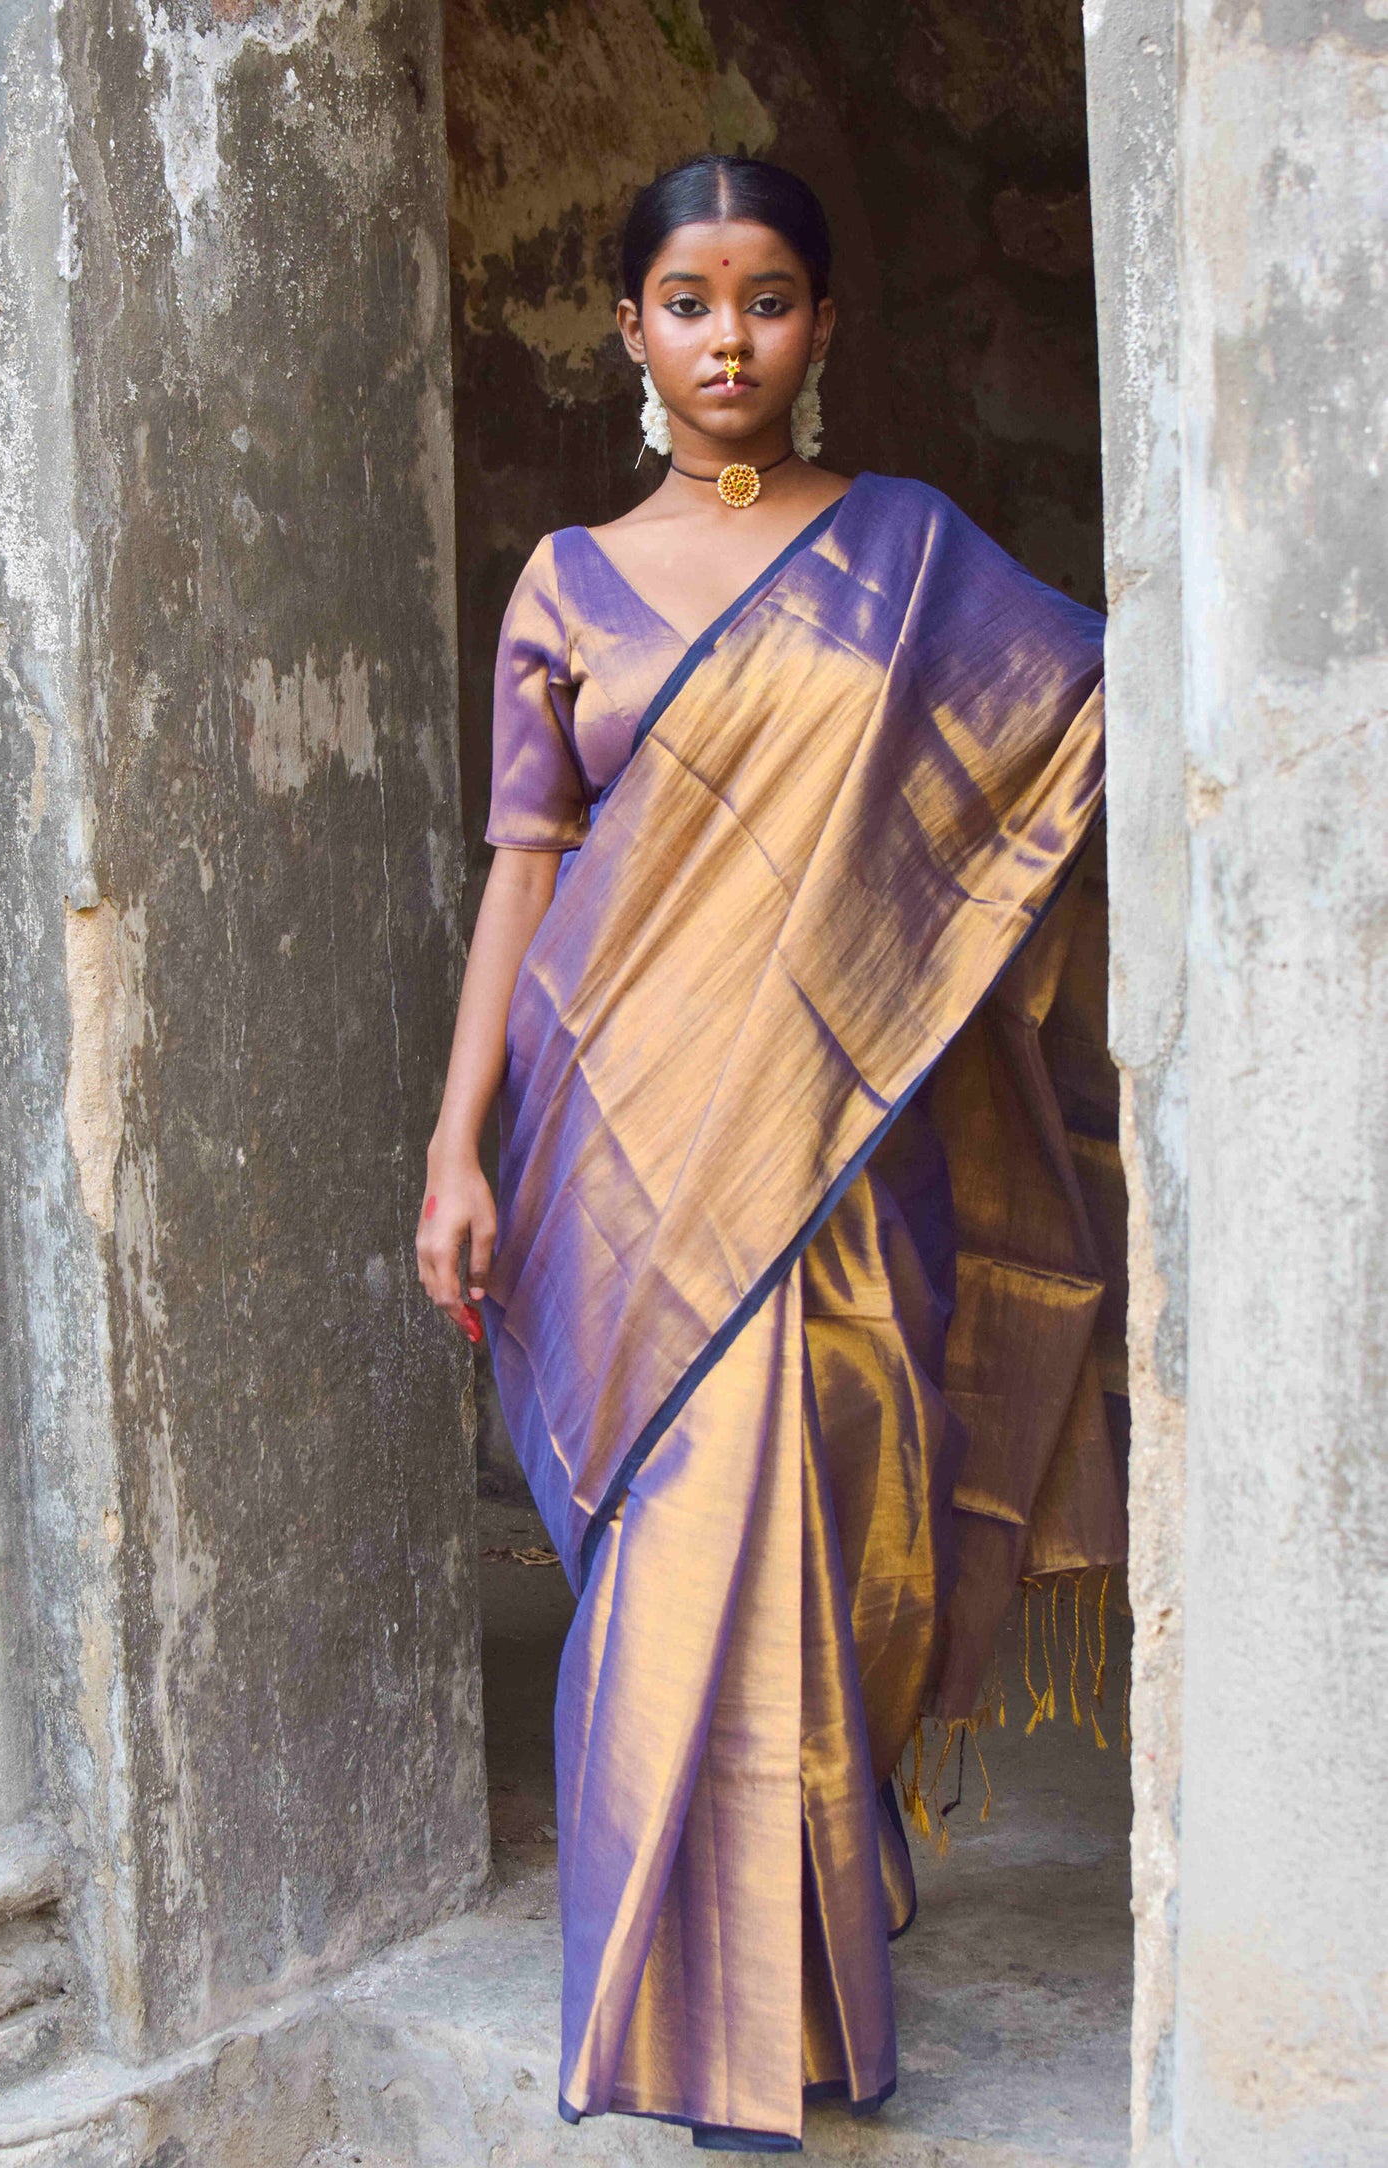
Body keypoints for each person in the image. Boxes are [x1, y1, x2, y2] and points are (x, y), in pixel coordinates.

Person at [417, 154, 1124, 2155]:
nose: (729, 338)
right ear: (629, 330)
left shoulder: (911, 558)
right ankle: (699, 2014)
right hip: (621, 1144)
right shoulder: (569, 581)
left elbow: (1083, 725)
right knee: (683, 1542)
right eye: (690, 301)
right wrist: (456, 1145)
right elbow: (524, 875)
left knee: (861, 1528)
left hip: (844, 1136)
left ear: (820, 325)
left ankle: (828, 1866)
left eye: (769, 298)